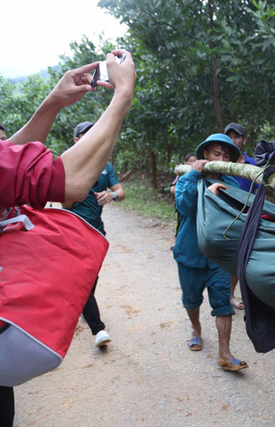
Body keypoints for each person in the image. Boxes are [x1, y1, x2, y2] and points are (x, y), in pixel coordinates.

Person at [0, 50, 136, 427]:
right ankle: (96, 326)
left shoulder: (104, 168)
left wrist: (51, 104)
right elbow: (72, 183)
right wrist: (122, 95)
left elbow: (11, 163)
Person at [173, 133, 248, 371]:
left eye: (226, 155)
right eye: (217, 154)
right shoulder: (188, 178)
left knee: (223, 303)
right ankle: (195, 327)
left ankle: (224, 353)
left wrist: (220, 193)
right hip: (189, 253)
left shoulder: (232, 183)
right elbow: (184, 206)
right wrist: (198, 178)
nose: (221, 158)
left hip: (218, 255)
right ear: (205, 154)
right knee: (192, 299)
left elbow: (236, 212)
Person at [61, 121, 126, 348]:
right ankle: (98, 329)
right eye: (85, 135)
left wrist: (112, 195)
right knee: (83, 279)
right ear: (76, 139)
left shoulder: (105, 165)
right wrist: (75, 187)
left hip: (97, 230)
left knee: (92, 276)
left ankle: (82, 307)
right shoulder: (68, 163)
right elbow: (66, 205)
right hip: (73, 229)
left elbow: (120, 191)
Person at [223, 122, 258, 310]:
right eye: (229, 137)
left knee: (244, 258)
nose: (233, 141)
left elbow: (262, 193)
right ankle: (227, 294)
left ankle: (245, 294)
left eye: (237, 137)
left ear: (244, 140)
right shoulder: (221, 164)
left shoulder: (253, 165)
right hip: (226, 216)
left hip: (249, 217)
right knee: (228, 257)